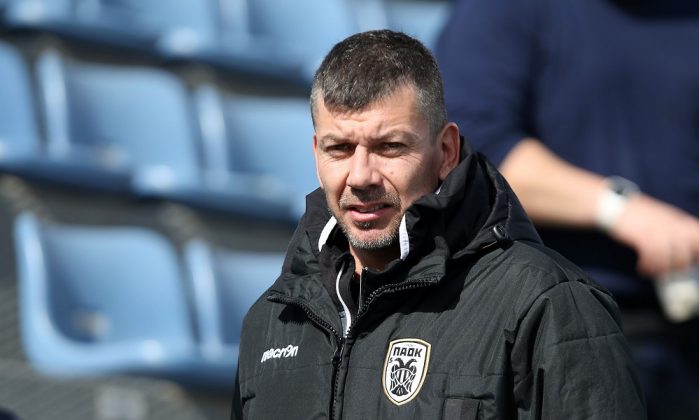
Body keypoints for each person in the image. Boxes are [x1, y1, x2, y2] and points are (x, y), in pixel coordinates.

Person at [230, 29, 645, 419]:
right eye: (339, 148)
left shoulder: (547, 305)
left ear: (446, 151)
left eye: (389, 146)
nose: (360, 176)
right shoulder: (273, 321)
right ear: (316, 152)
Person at [435, 0, 699, 418]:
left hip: (684, 323)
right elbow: (469, 147)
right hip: (564, 326)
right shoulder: (505, 9)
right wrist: (621, 210)